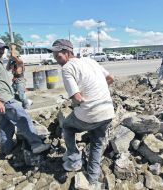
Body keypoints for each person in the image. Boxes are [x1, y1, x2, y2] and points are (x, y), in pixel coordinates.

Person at [48, 39, 115, 187]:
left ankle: (74, 160)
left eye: (57, 54)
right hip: (108, 111)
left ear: (67, 52)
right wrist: (96, 93)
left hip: (90, 112)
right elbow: (110, 78)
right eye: (53, 54)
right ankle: (92, 180)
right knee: (97, 143)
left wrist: (80, 101)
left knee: (67, 126)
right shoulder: (89, 61)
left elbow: (77, 98)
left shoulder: (67, 68)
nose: (55, 58)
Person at [0, 38, 50, 155]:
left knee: (6, 126)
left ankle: (7, 149)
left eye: (3, 48)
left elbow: (13, 63)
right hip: (4, 100)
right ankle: (36, 144)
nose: (1, 50)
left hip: (3, 99)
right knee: (23, 119)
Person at [6, 43, 31, 109]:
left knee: (22, 96)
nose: (11, 56)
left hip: (20, 81)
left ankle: (27, 106)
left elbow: (14, 56)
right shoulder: (13, 62)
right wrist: (9, 59)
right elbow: (7, 68)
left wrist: (13, 48)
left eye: (12, 56)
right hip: (15, 81)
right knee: (10, 93)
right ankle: (19, 104)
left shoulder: (20, 62)